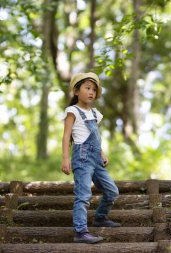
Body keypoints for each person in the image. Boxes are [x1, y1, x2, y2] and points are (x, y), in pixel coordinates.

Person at [61, 72, 120, 244]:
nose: (91, 92)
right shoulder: (73, 111)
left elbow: (95, 136)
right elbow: (66, 136)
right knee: (84, 194)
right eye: (87, 88)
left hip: (96, 157)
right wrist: (66, 158)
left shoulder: (95, 113)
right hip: (82, 157)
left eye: (94, 89)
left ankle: (100, 218)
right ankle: (80, 232)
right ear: (76, 91)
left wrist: (101, 153)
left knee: (112, 191)